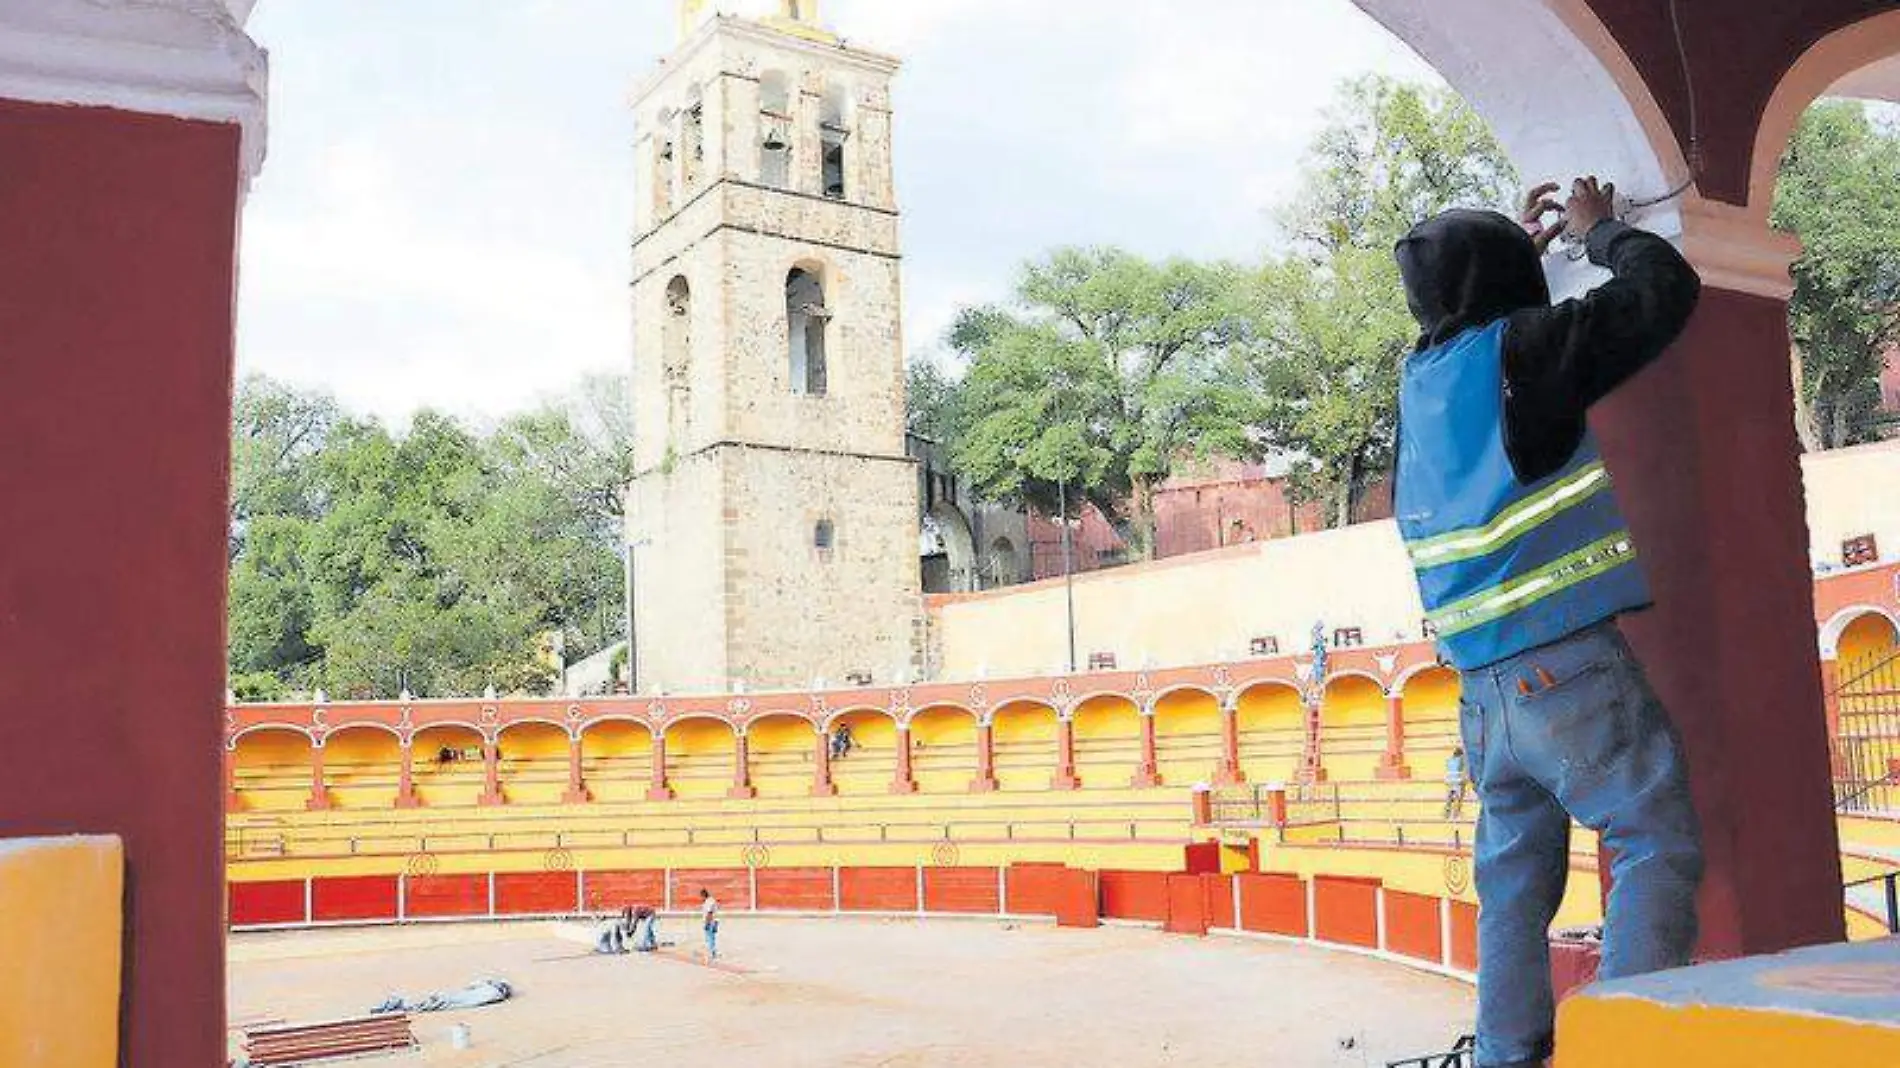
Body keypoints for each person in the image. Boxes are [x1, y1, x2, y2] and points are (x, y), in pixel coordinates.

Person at [1391, 177, 1704, 1068]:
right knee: (1655, 840)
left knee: (1516, 889)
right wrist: (1602, 233)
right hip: (1564, 667)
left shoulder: (1422, 384)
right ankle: (1626, 1048)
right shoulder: (1524, 351)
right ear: (1503, 288)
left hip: (1482, 692)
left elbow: (1478, 331)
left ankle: (1507, 1056)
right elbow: (1661, 294)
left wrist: (1515, 253)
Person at [1443, 746, 1468, 820]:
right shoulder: (1461, 759)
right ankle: (1456, 813)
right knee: (1458, 797)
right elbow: (1464, 769)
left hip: (1449, 779)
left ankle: (1446, 813)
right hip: (1457, 779)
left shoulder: (1449, 760)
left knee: (1449, 797)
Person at [698, 888, 720, 961]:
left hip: (710, 921)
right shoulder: (710, 901)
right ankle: (713, 952)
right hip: (713, 921)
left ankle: (711, 953)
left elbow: (709, 913)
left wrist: (707, 923)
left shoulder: (709, 902)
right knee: (712, 938)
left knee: (709, 938)